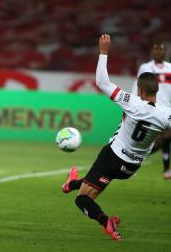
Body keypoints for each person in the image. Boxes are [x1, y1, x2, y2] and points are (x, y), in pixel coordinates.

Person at [61, 34, 171, 241]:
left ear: (139, 89)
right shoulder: (166, 115)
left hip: (113, 156)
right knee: (97, 181)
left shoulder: (132, 102)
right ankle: (71, 183)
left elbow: (102, 82)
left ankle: (105, 221)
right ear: (157, 90)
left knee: (83, 200)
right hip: (131, 168)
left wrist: (103, 52)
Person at [132, 42, 171, 179]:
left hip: (166, 110)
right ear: (152, 52)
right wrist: (135, 104)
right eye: (155, 49)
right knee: (151, 141)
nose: (158, 52)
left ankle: (166, 170)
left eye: (160, 49)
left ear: (165, 52)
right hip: (148, 108)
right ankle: (133, 161)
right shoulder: (145, 67)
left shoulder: (170, 68)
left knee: (166, 137)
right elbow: (138, 86)